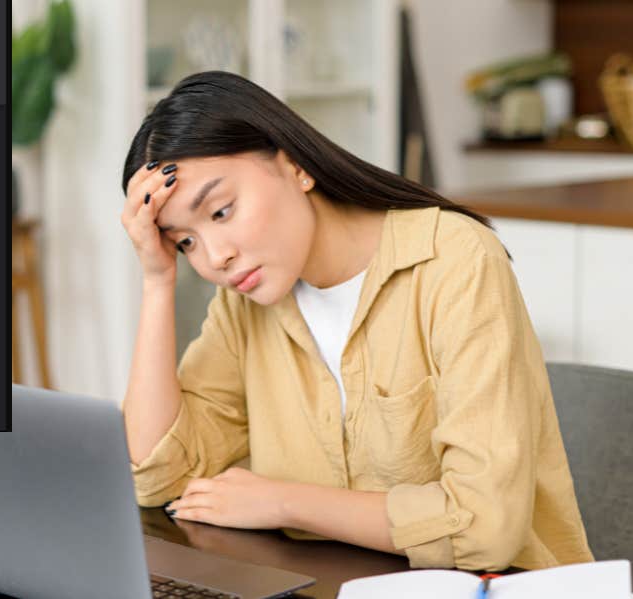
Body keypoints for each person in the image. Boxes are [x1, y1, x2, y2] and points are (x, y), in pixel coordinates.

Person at [117, 71, 592, 572]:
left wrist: (284, 502)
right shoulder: (247, 302)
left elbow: (484, 526)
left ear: (294, 165)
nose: (216, 257)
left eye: (221, 211)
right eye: (185, 241)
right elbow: (157, 476)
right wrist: (156, 280)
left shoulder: (453, 260)